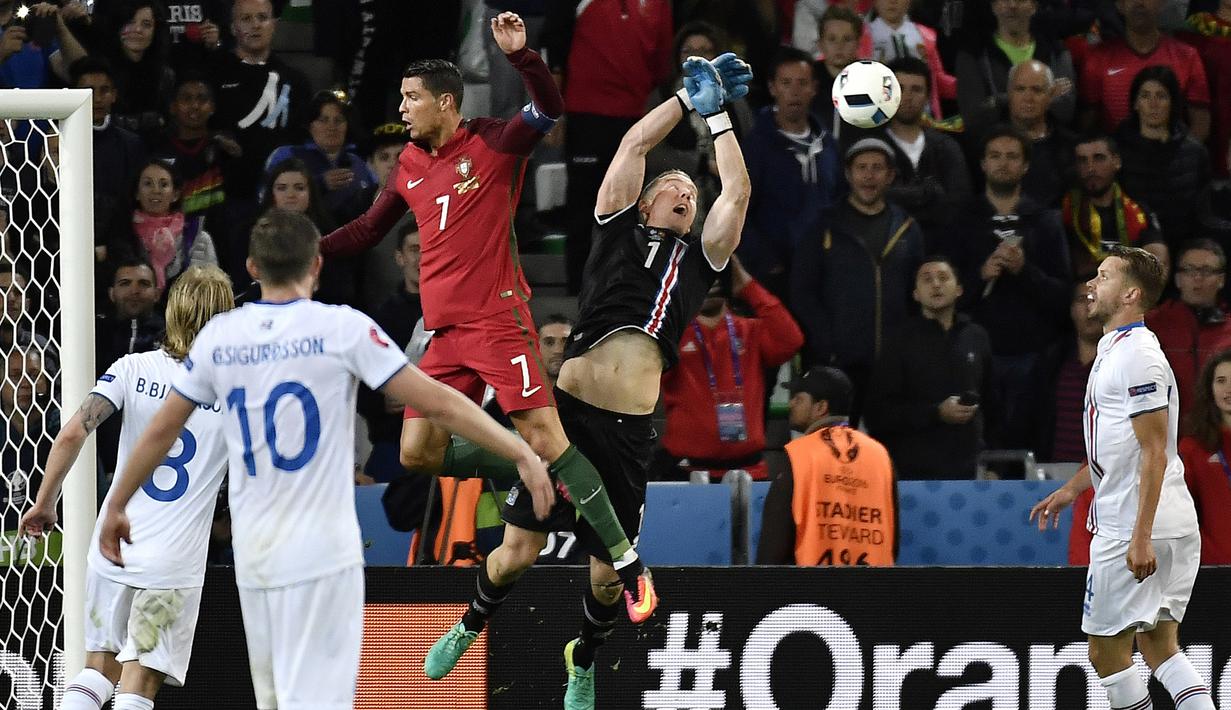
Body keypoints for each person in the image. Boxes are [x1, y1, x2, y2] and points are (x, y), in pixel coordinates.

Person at [95, 209, 552, 710]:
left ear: (252, 267)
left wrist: (117, 503)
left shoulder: (220, 341)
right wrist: (520, 451)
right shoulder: (344, 330)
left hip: (257, 551)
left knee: (274, 700)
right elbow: (438, 401)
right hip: (321, 550)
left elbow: (161, 429)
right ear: (316, 264)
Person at [427, 53, 752, 710]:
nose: (685, 193)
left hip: (630, 429)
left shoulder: (701, 261)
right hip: (567, 412)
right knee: (516, 553)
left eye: (692, 193)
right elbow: (634, 141)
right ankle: (469, 622)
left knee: (607, 580)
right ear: (645, 200)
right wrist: (685, 102)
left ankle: (582, 656)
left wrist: (718, 119)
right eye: (673, 186)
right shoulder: (613, 229)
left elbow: (737, 192)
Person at [319, 13, 659, 623]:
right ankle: (535, 470)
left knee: (548, 438)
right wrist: (306, 253)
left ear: (445, 102)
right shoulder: (409, 168)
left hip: (499, 323)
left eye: (411, 98)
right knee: (417, 452)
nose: (403, 109)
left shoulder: (494, 142)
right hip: (444, 337)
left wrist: (524, 57)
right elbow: (370, 229)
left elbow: (550, 109)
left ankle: (628, 565)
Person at [20, 266, 235, 710]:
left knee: (96, 669)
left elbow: (72, 432)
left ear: (172, 311)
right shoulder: (236, 393)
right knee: (138, 684)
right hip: (172, 562)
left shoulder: (133, 368)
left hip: (111, 545)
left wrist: (45, 503)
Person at [1031, 245, 1213, 710]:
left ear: (1131, 293)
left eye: (1104, 276)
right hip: (1157, 519)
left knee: (1105, 653)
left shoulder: (1137, 358)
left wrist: (1140, 536)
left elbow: (1154, 451)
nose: (1092, 284)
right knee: (1159, 646)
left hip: (1135, 524)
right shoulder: (1118, 349)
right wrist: (1074, 488)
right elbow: (1120, 447)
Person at [791, 137, 925, 424]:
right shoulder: (824, 226)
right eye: (862, 167)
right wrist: (827, 343)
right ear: (848, 174)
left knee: (888, 448)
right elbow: (803, 292)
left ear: (891, 176)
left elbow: (917, 294)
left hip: (893, 364)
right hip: (837, 364)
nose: (869, 175)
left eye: (878, 168)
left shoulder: (908, 229)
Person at [950, 125, 1070, 436]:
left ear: (1026, 165)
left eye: (1012, 156)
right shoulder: (962, 220)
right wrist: (980, 276)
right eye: (996, 156)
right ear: (983, 164)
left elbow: (1062, 297)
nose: (1003, 163)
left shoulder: (1046, 221)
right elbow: (941, 294)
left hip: (1032, 357)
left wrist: (1025, 270)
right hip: (974, 356)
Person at [660, 255, 804, 481]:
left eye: (716, 277)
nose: (711, 285)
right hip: (688, 473)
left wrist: (746, 285)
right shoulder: (671, 335)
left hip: (749, 471)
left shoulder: (751, 331)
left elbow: (791, 341)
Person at [865, 256, 994, 479]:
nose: (935, 284)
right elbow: (878, 415)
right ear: (916, 294)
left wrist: (995, 466)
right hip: (913, 472)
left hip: (969, 470)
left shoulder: (976, 336)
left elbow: (993, 403)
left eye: (943, 278)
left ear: (959, 289)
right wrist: (936, 413)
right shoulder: (899, 341)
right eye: (927, 279)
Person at [756, 366, 897, 565]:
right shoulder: (880, 455)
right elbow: (893, 539)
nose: (790, 404)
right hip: (873, 589)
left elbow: (775, 539)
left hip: (814, 589)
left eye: (799, 399)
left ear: (821, 407)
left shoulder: (799, 454)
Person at [739, 46, 841, 298]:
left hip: (825, 271)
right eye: (786, 83)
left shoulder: (828, 145)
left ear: (814, 88)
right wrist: (767, 262)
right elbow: (739, 211)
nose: (794, 91)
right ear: (772, 88)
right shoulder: (756, 146)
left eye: (802, 83)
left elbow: (840, 200)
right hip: (776, 277)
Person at [1115, 66, 1218, 252]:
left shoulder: (1195, 152)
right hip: (1133, 250)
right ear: (1135, 103)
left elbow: (1203, 211)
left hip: (1184, 250)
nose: (1153, 104)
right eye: (1145, 96)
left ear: (1173, 103)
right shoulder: (1116, 150)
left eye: (1161, 96)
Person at [1079, 0, 1210, 141]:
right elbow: (1087, 124)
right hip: (1118, 157)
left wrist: (1182, 157)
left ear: (1161, 4)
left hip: (1171, 155)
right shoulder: (1097, 58)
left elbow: (1200, 121)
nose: (1139, 2)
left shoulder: (1187, 56)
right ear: (1120, 5)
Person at [882, 56, 970, 251]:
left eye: (916, 89)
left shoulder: (947, 147)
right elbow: (875, 201)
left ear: (928, 96)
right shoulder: (873, 149)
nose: (907, 96)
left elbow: (958, 205)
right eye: (900, 88)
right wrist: (930, 194)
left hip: (941, 255)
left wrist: (900, 197)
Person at [954, 0, 1076, 136]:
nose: (1012, 5)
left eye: (1020, 0)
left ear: (1034, 6)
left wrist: (997, 101)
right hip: (994, 146)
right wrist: (1043, 95)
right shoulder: (973, 53)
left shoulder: (1056, 51)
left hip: (1048, 144)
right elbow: (973, 115)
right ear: (994, 6)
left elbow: (1065, 110)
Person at [1146, 240, 1231, 419]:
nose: (1197, 278)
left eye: (1206, 271)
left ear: (1221, 280)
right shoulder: (1152, 325)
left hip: (1219, 437)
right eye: (1189, 270)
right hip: (1166, 437)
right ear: (1177, 279)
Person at [1062, 134, 1167, 279]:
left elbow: (1158, 264)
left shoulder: (1139, 212)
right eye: (1082, 161)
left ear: (1116, 162)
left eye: (1099, 158)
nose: (1090, 168)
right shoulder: (1065, 210)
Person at [128, 159, 218, 292]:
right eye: (148, 184)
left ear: (175, 195)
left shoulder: (198, 239)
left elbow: (211, 293)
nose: (156, 190)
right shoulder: (124, 236)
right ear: (137, 193)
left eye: (163, 185)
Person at [1178, 349, 1231, 564]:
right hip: (1211, 566)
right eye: (1221, 381)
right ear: (1209, 388)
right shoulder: (1193, 446)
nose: (1229, 389)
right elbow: (1181, 510)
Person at [1005, 60, 1077, 209]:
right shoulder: (990, 146)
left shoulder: (1070, 146)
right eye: (1020, 89)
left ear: (1051, 95)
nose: (1028, 98)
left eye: (1036, 90)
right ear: (1009, 93)